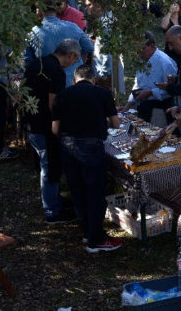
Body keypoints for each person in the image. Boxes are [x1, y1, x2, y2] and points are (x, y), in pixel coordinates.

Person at [51, 64, 122, 252]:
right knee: (95, 192)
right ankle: (96, 239)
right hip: (91, 145)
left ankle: (87, 232)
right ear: (94, 79)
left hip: (67, 145)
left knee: (78, 190)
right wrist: (101, 121)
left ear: (74, 80)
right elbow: (115, 123)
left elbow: (55, 129)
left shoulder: (63, 95)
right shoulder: (102, 93)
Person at [23, 38, 80, 224]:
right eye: (74, 59)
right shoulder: (56, 72)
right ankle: (52, 210)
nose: (73, 63)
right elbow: (53, 104)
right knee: (49, 166)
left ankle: (54, 199)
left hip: (31, 120)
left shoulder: (38, 62)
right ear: (70, 55)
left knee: (46, 164)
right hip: (44, 126)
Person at [26, 3, 94, 87]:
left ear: (40, 11)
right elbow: (89, 47)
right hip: (73, 81)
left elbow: (27, 61)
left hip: (47, 83)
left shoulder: (32, 32)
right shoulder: (73, 27)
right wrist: (78, 61)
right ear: (56, 11)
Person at [119, 31, 178, 124]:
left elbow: (172, 89)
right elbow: (138, 84)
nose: (138, 53)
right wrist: (127, 106)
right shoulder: (142, 60)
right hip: (145, 107)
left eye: (141, 49)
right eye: (136, 49)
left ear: (152, 46)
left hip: (162, 109)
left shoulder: (165, 62)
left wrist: (151, 92)